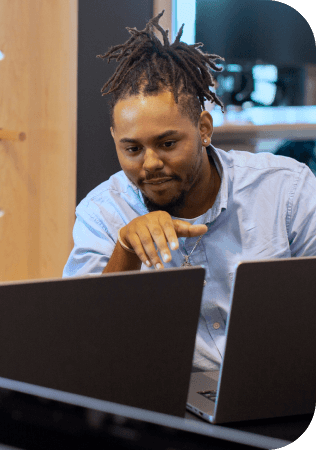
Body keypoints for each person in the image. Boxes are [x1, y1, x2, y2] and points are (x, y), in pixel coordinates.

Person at [63, 12, 316, 372]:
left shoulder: (286, 192)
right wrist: (126, 251)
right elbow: (82, 341)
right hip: (166, 405)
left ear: (204, 129)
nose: (149, 163)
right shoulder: (102, 213)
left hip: (282, 385)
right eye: (132, 149)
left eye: (167, 143)